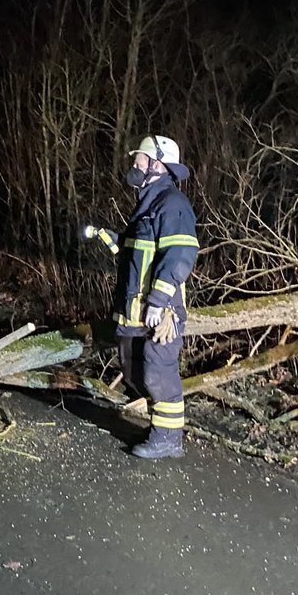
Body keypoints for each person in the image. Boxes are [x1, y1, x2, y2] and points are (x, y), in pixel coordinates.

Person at [83, 134, 199, 459]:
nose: (135, 164)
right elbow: (136, 254)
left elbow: (179, 255)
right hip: (133, 312)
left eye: (141, 159)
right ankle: (158, 428)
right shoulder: (147, 205)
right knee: (133, 370)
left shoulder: (172, 204)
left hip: (160, 314)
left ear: (158, 165)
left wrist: (160, 301)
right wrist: (110, 238)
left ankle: (168, 440)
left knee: (157, 373)